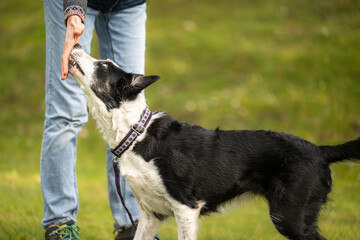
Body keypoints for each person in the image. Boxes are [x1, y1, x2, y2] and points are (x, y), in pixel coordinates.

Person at [40, 0, 151, 239]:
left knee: (131, 114)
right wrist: (74, 12)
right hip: (73, 4)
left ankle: (132, 224)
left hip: (127, 4)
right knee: (67, 113)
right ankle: (59, 224)